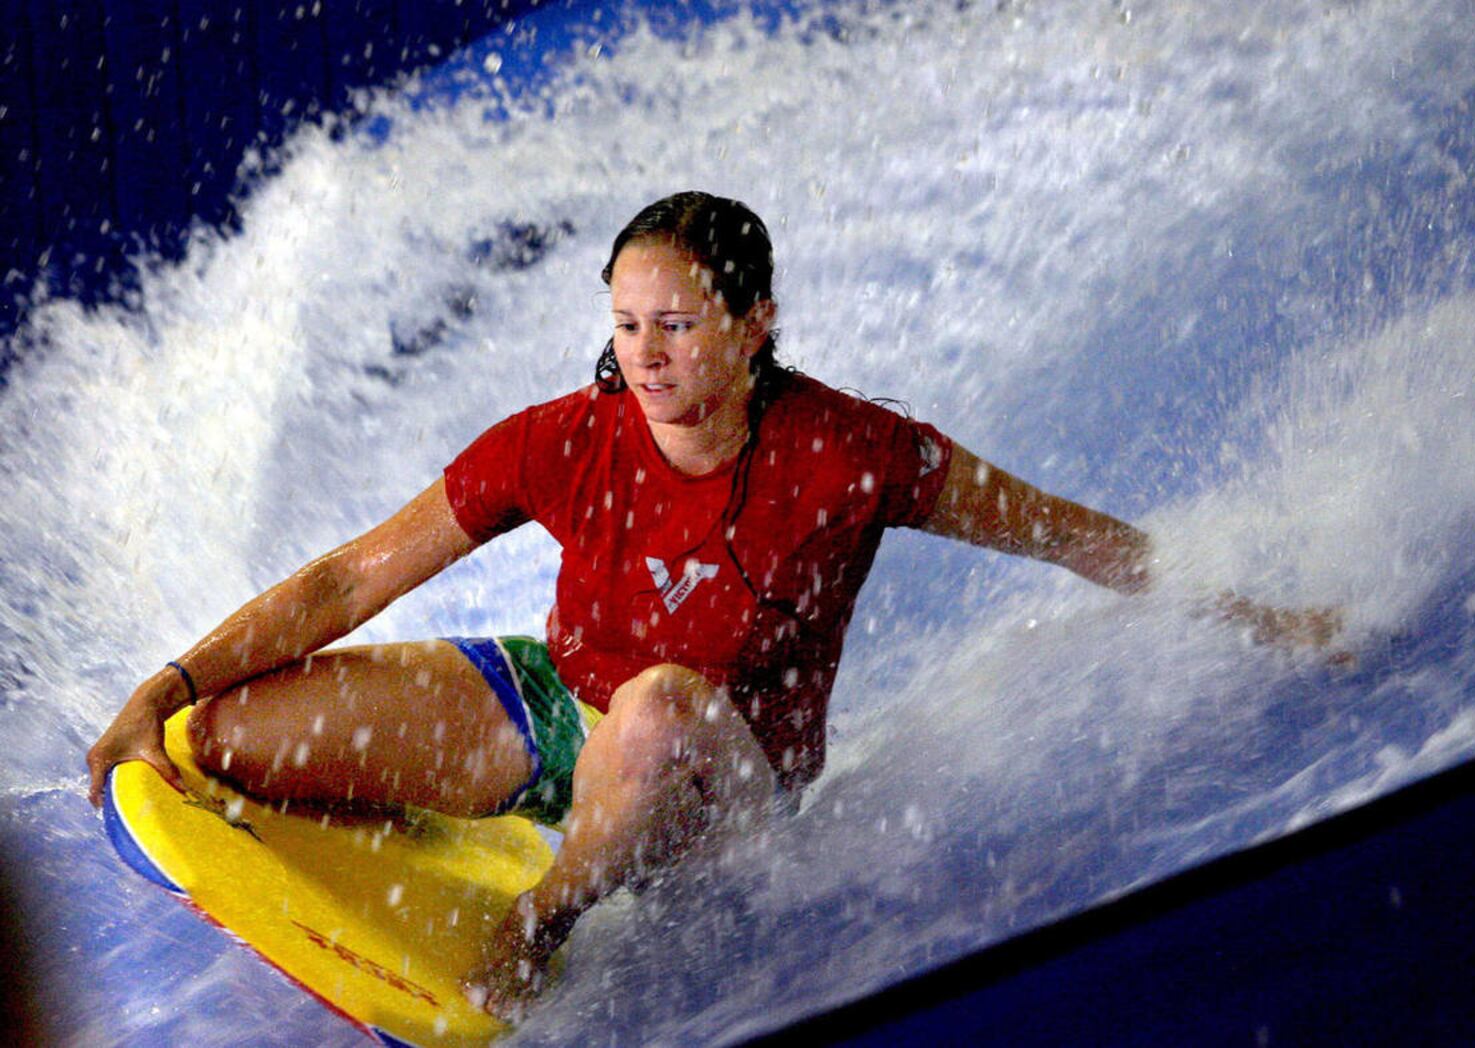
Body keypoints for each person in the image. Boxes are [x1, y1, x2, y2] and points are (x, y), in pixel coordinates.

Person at [86, 191, 1339, 1018]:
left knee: (658, 708)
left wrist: (1256, 613)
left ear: (754, 324)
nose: (646, 354)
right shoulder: (562, 441)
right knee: (226, 742)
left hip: (722, 787)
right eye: (627, 325)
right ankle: (502, 822)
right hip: (561, 709)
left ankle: (540, 920)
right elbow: (349, 578)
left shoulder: (853, 456)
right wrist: (165, 690)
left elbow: (1070, 536)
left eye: (677, 325)